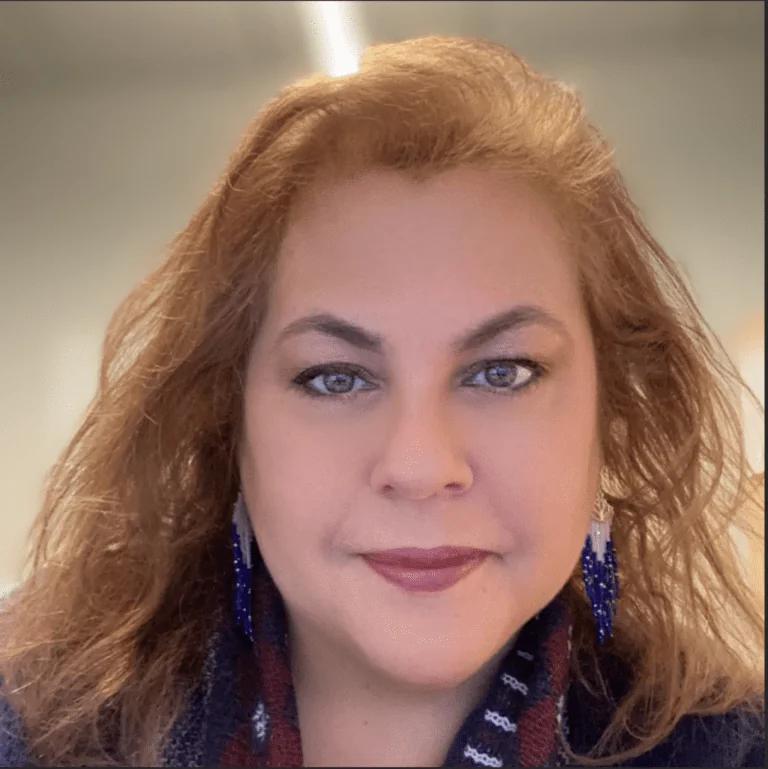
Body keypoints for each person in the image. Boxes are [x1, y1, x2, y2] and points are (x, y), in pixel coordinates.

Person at [0, 34, 764, 768]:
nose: (421, 465)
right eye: (336, 377)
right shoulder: (38, 730)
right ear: (228, 423)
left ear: (611, 411)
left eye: (503, 372)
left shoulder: (733, 747)